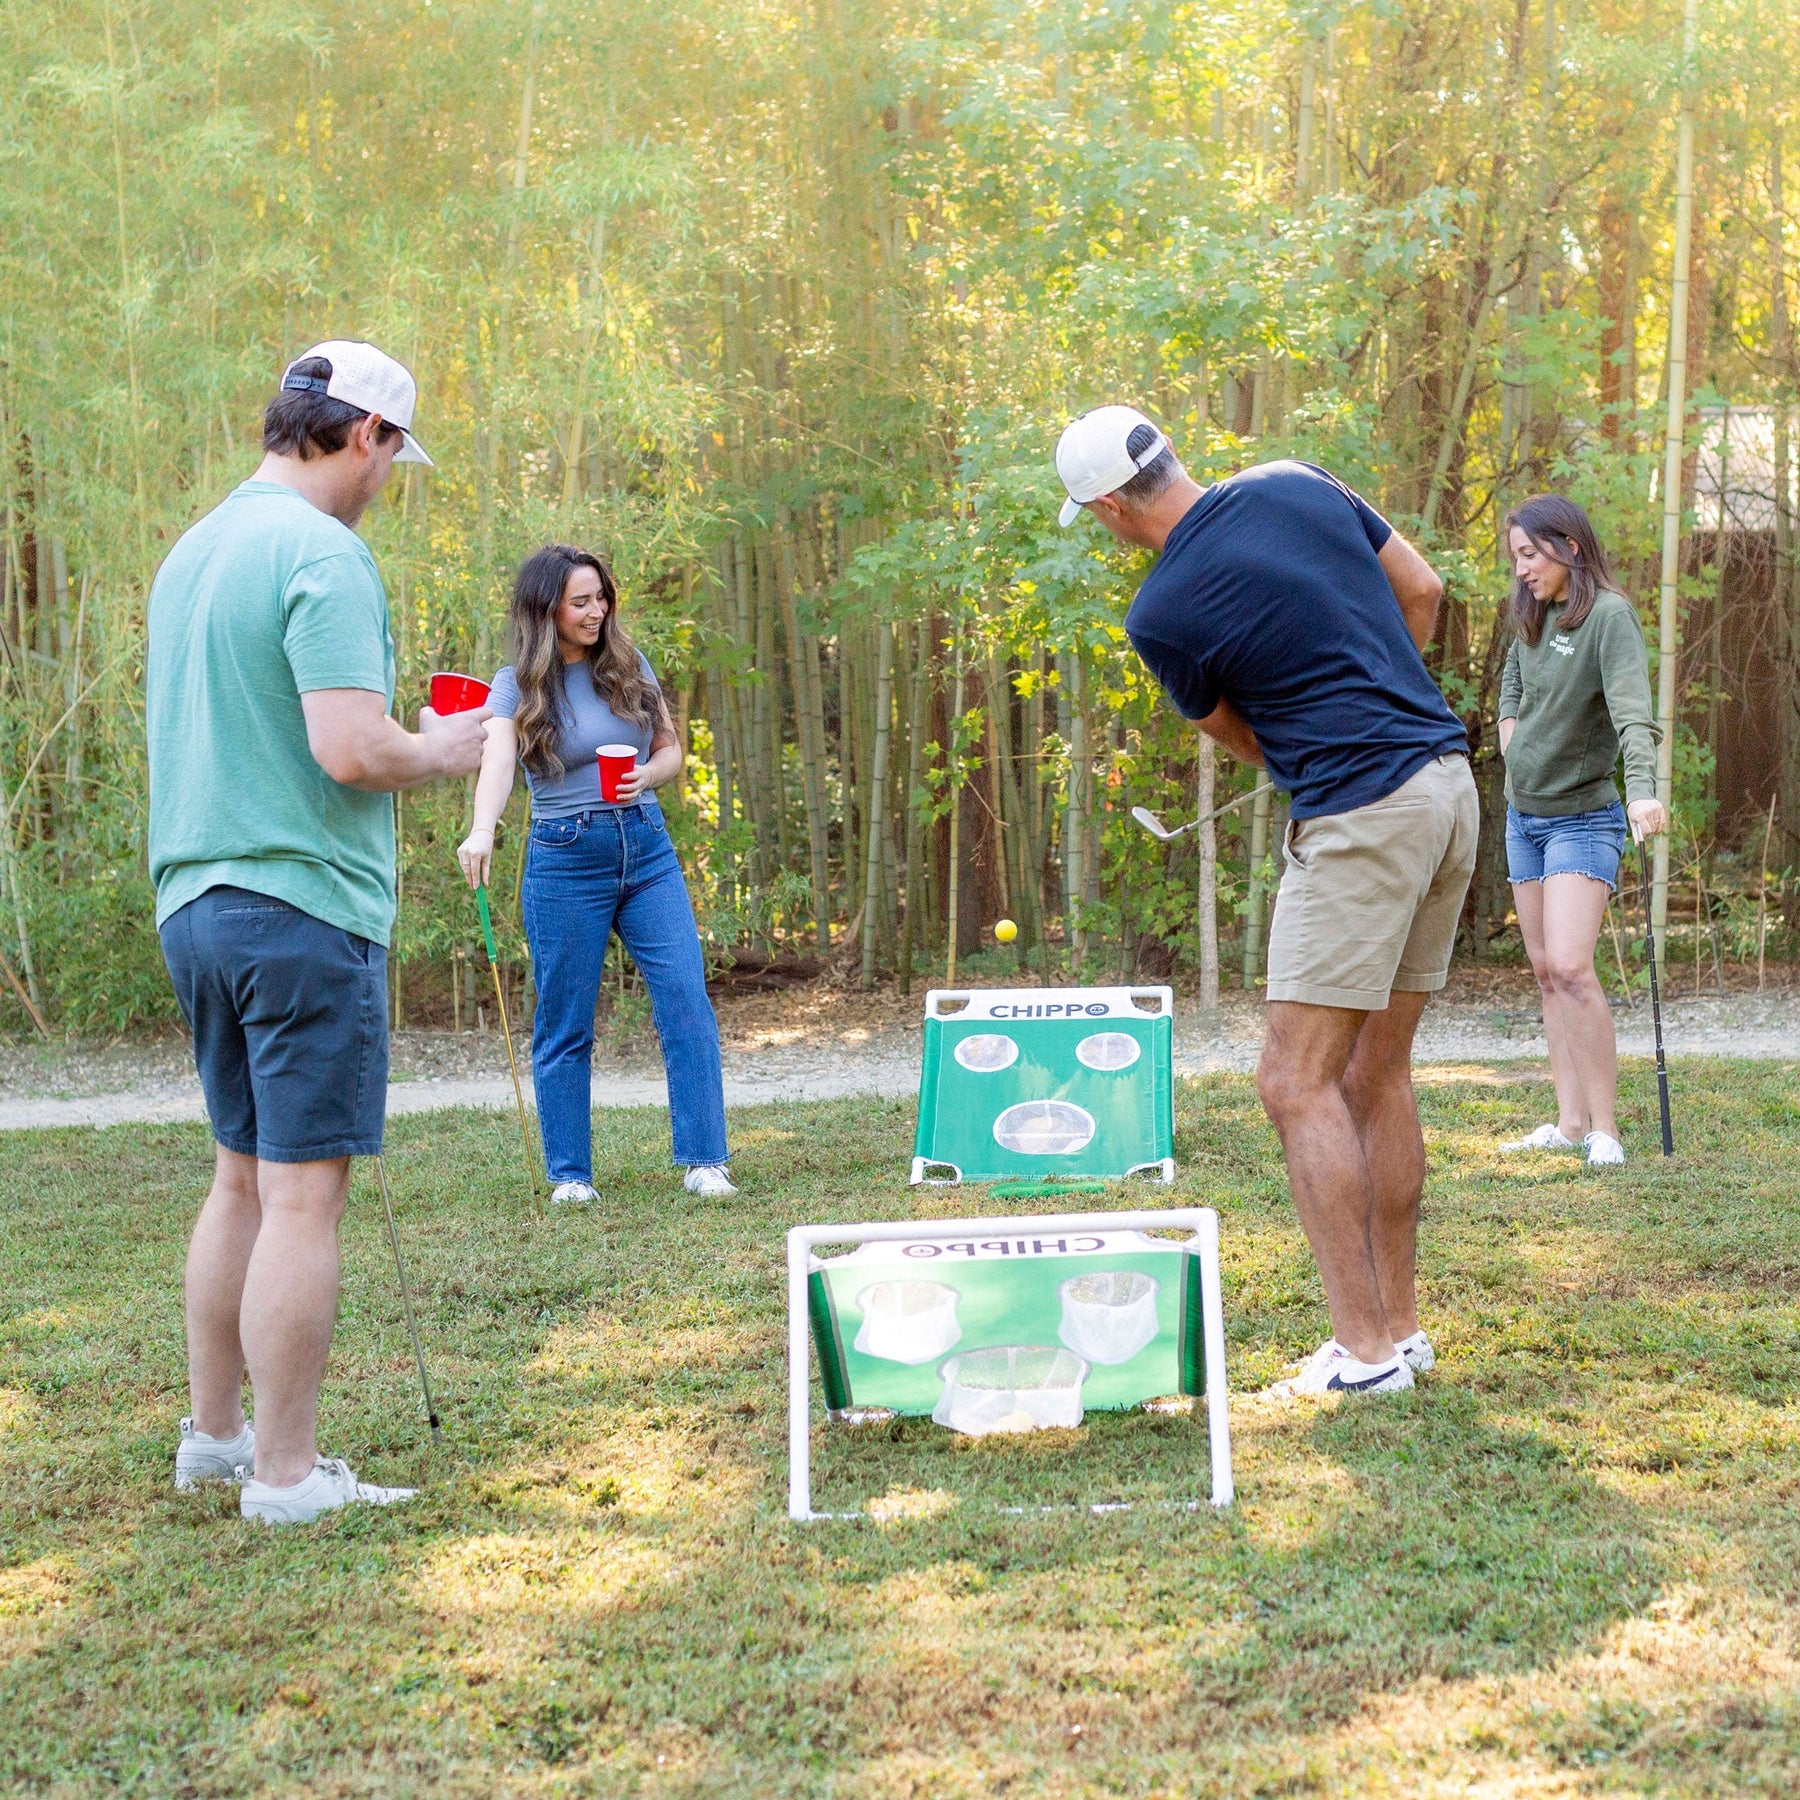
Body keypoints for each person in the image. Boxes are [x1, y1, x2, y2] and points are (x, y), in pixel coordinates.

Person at [1056, 405, 1478, 1397]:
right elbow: (1422, 589)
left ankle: (1365, 1357)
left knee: (1294, 1082)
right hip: (1447, 788)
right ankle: (1400, 1330)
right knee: (1376, 1072)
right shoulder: (1297, 478)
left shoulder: (1160, 613)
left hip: (1364, 816)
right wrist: (1377, 703)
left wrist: (1327, 750)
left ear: (1111, 508)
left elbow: (1241, 735)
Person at [149, 341, 490, 1524]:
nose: (384, 482)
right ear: (363, 435)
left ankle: (216, 1439)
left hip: (195, 904)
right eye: (390, 456)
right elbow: (349, 748)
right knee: (301, 1199)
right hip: (299, 910)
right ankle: (287, 1478)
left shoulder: (195, 549)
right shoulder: (322, 552)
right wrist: (445, 749)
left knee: (239, 1180)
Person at [456, 544, 734, 1206]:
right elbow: (497, 760)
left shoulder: (629, 666)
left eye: (601, 598)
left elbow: (669, 751)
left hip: (646, 847)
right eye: (580, 601)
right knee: (565, 1019)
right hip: (565, 858)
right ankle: (571, 1175)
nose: (596, 611)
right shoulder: (516, 685)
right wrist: (482, 829)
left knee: (686, 1001)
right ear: (545, 610)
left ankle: (705, 1160)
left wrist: (647, 775)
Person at [1496, 495, 1664, 1165]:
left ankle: (1605, 1130)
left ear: (1568, 544)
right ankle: (1568, 1125)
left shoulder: (1610, 617)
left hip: (1583, 818)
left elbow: (1634, 714)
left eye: (1529, 554)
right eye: (1515, 557)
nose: (1521, 569)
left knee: (1570, 966)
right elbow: (1512, 683)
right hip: (1523, 818)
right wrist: (1512, 742)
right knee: (1545, 973)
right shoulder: (1532, 613)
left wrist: (1642, 790)